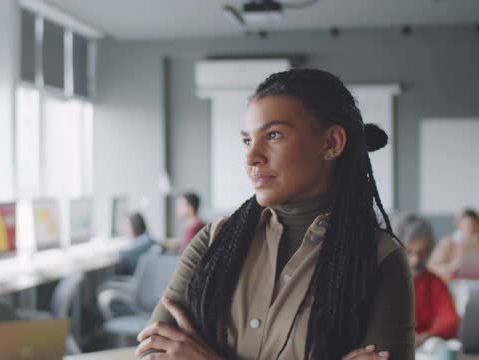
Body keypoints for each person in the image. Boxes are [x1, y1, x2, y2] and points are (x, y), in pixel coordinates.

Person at [136, 69, 414, 360]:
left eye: (273, 135)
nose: (251, 156)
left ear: (331, 143)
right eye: (247, 140)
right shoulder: (214, 241)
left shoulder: (380, 259)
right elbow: (152, 352)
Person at [393, 214, 459, 347]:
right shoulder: (385, 283)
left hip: (425, 346)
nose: (415, 260)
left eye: (421, 253)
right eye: (409, 252)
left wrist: (426, 336)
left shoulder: (434, 282)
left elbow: (451, 320)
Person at [428, 209, 479, 281]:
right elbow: (432, 268)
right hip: (454, 284)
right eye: (467, 225)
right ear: (459, 225)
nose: (470, 229)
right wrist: (452, 267)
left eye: (473, 225)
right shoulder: (449, 242)